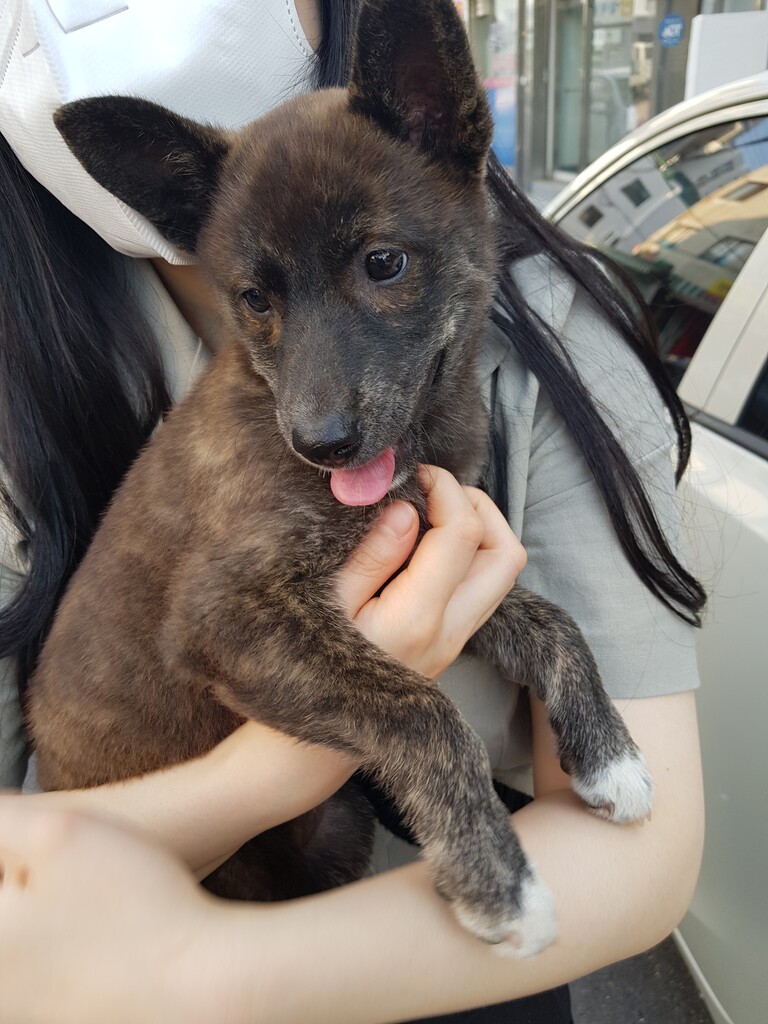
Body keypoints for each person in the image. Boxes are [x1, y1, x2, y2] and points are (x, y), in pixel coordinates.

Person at [0, 1, 705, 1021]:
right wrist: (286, 775)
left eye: (381, 266)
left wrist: (555, 658)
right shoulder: (53, 378)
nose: (316, 416)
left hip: (363, 923)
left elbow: (644, 858)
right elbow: (227, 621)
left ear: (443, 123)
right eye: (261, 302)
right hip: (113, 886)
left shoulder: (554, 349)